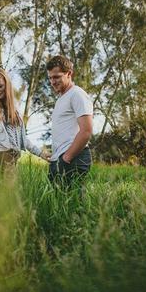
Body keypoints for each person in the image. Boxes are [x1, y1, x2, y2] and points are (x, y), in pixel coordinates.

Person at [0, 68, 49, 173]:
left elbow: (23, 139)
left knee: (5, 188)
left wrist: (41, 154)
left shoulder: (14, 110)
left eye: (0, 86)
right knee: (7, 187)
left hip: (11, 156)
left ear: (7, 85)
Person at [46, 55, 93, 193]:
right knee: (58, 208)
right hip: (60, 159)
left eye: (56, 77)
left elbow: (86, 130)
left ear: (69, 74)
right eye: (50, 78)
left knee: (75, 209)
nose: (52, 82)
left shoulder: (77, 94)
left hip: (74, 159)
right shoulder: (61, 99)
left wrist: (66, 158)